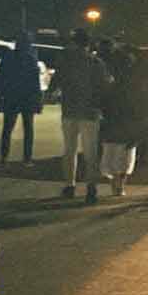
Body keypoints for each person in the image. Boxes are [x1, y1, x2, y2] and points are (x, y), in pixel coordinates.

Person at [47, 28, 110, 202]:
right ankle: (91, 187)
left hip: (69, 110)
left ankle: (70, 185)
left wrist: (52, 92)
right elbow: (104, 86)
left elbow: (55, 83)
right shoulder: (96, 63)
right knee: (91, 152)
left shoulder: (66, 62)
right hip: (90, 112)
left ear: (74, 43)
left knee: (69, 150)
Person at [99, 41, 141, 196]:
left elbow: (103, 103)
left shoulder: (110, 83)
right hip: (127, 125)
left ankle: (116, 184)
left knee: (111, 156)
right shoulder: (133, 84)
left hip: (112, 124)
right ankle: (119, 185)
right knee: (124, 158)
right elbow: (137, 108)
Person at [0, 32, 43, 165]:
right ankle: (27, 158)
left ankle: (4, 157)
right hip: (27, 97)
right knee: (28, 129)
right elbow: (35, 81)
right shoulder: (31, 58)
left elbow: (0, 77)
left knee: (7, 128)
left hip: (11, 96)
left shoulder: (9, 57)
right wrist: (38, 99)